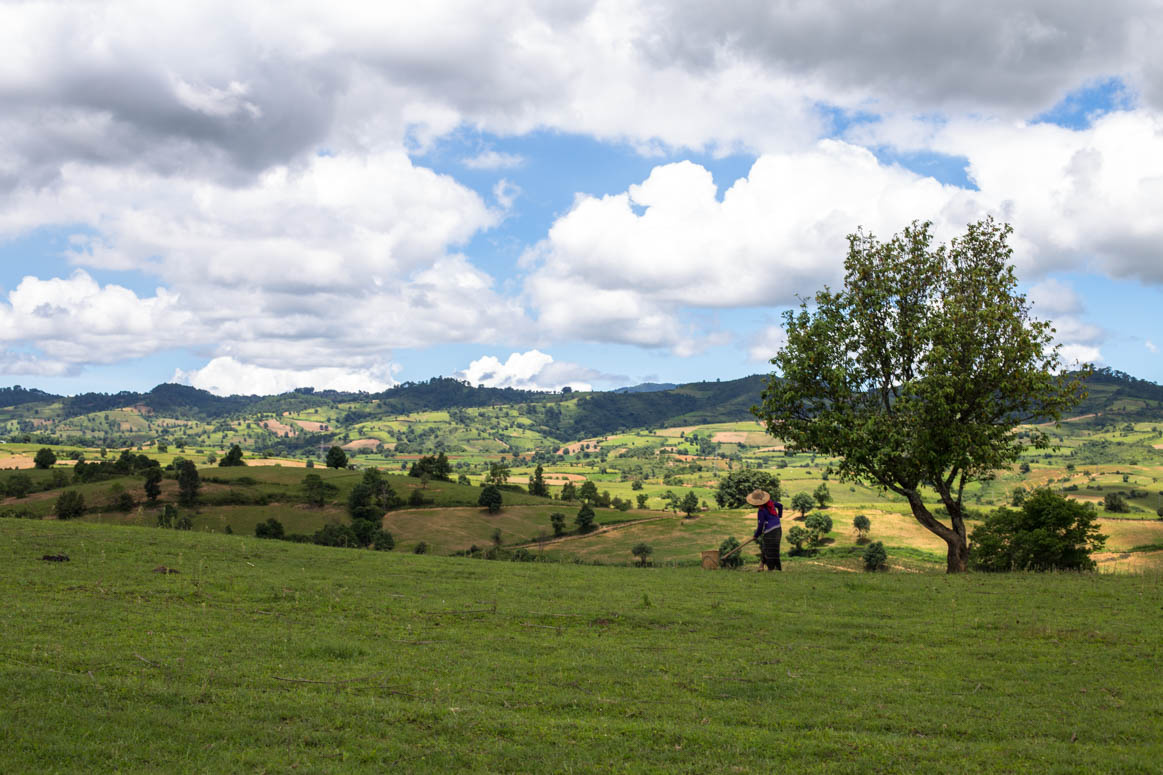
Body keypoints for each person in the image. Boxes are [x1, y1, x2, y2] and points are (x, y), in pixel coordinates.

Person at [746, 489, 783, 571]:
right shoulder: (771, 503)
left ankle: (771, 568)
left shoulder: (761, 511)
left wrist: (756, 535)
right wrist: (779, 516)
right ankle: (762, 566)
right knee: (772, 549)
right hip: (778, 529)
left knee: (768, 550)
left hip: (770, 532)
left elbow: (760, 526)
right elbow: (780, 506)